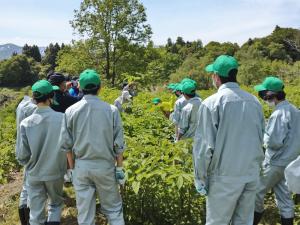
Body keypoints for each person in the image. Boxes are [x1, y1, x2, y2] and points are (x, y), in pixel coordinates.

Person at [193, 55, 265, 225]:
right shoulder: (254, 101)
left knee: (217, 222)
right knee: (243, 221)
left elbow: (204, 148)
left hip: (224, 177)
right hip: (250, 173)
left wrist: (200, 178)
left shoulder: (212, 103)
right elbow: (261, 136)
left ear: (216, 76)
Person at [59, 69, 126, 225]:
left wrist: (72, 169)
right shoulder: (111, 110)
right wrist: (120, 168)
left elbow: (66, 145)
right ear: (100, 87)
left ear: (80, 87)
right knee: (114, 211)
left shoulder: (70, 111)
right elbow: (119, 144)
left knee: (85, 215)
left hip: (81, 167)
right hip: (105, 167)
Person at [16, 80, 67, 225]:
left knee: (36, 213)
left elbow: (22, 155)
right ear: (51, 96)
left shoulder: (26, 123)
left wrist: (30, 164)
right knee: (55, 204)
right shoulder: (62, 119)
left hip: (34, 173)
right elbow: (68, 147)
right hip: (55, 171)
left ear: (34, 98)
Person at [253, 76, 300, 225]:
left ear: (271, 94)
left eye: (263, 95)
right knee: (284, 197)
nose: (263, 98)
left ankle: (252, 220)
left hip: (275, 162)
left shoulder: (278, 114)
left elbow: (273, 142)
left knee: (256, 192)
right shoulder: (293, 109)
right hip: (290, 161)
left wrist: (262, 136)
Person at [16, 95, 37, 225]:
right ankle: (30, 218)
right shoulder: (33, 109)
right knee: (32, 187)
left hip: (24, 149)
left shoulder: (22, 105)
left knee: (26, 185)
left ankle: (24, 218)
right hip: (33, 150)